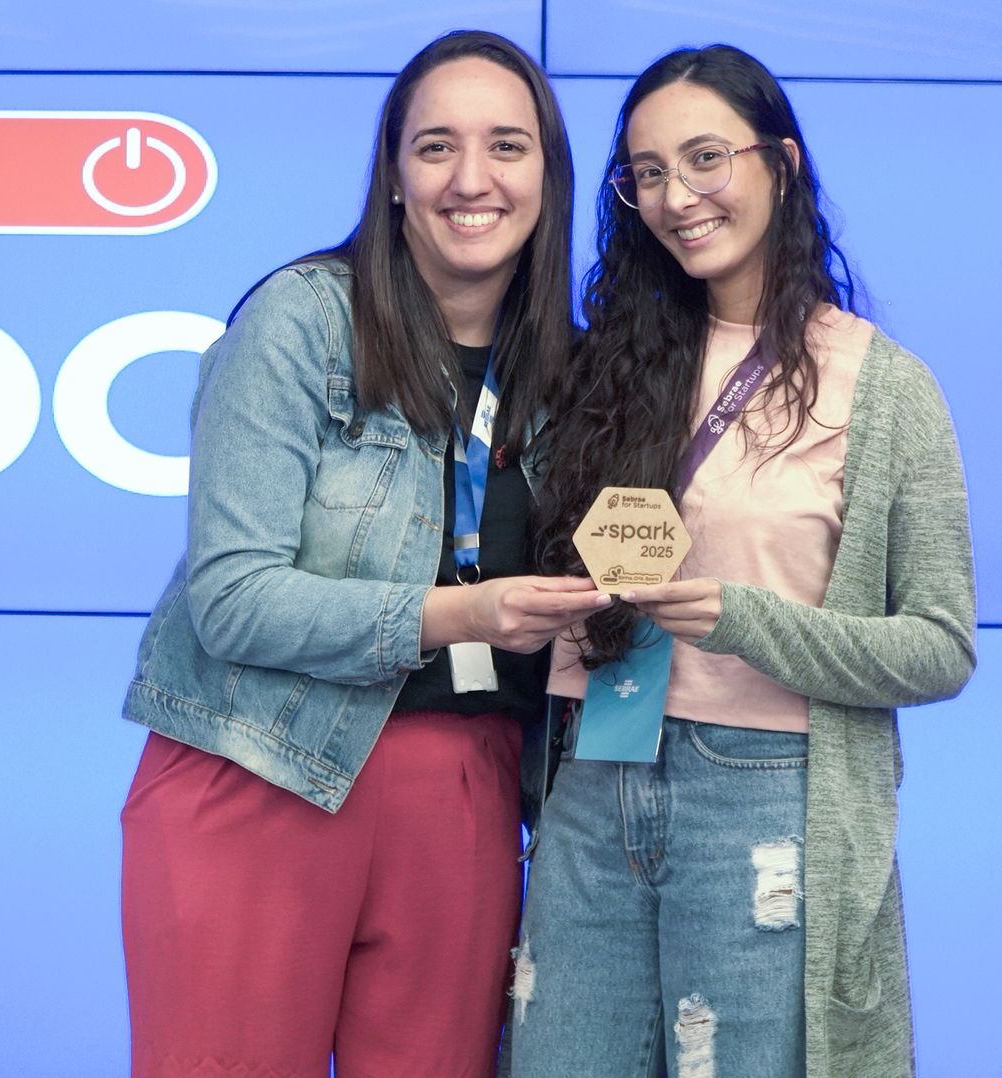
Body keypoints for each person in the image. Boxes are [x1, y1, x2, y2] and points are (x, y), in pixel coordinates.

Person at [118, 29, 604, 1078]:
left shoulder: (574, 370)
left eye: (506, 146)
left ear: (548, 175)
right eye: (435, 147)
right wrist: (461, 614)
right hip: (261, 765)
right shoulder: (298, 321)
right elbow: (232, 599)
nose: (470, 178)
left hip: (465, 791)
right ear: (391, 175)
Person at [511, 45, 976, 1077]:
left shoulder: (884, 387)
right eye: (646, 173)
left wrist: (744, 618)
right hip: (593, 775)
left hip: (764, 794)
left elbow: (940, 647)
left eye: (705, 158)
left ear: (783, 164)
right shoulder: (598, 364)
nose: (677, 197)